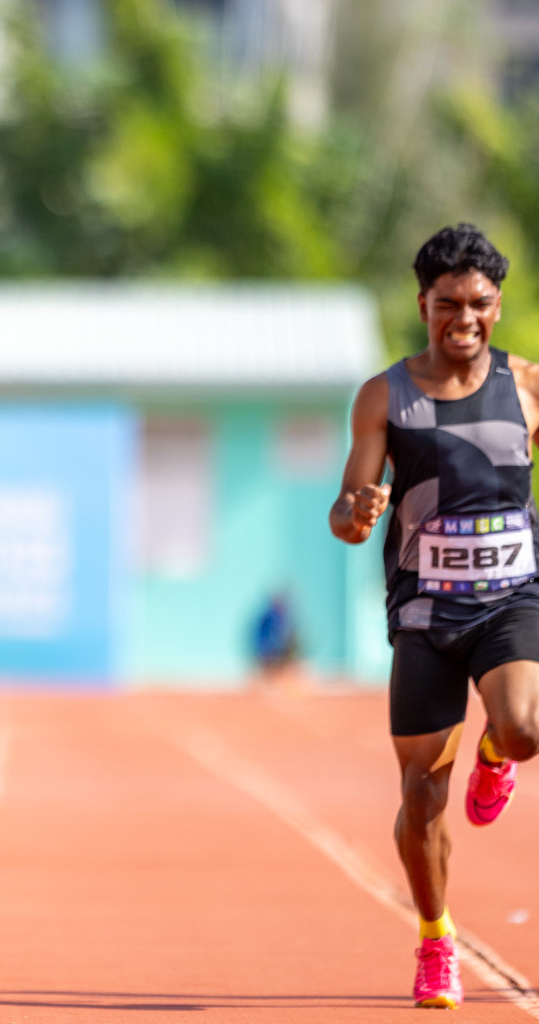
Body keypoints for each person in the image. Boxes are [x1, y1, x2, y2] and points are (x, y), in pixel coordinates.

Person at [331, 223, 539, 1008]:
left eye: (479, 303)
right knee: (421, 796)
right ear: (423, 304)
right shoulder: (385, 395)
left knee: (524, 729)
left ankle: (495, 754)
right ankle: (436, 936)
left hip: (511, 597)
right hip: (424, 613)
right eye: (447, 303)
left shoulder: (526, 385)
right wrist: (359, 509)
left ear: (496, 304)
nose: (464, 318)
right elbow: (347, 517)